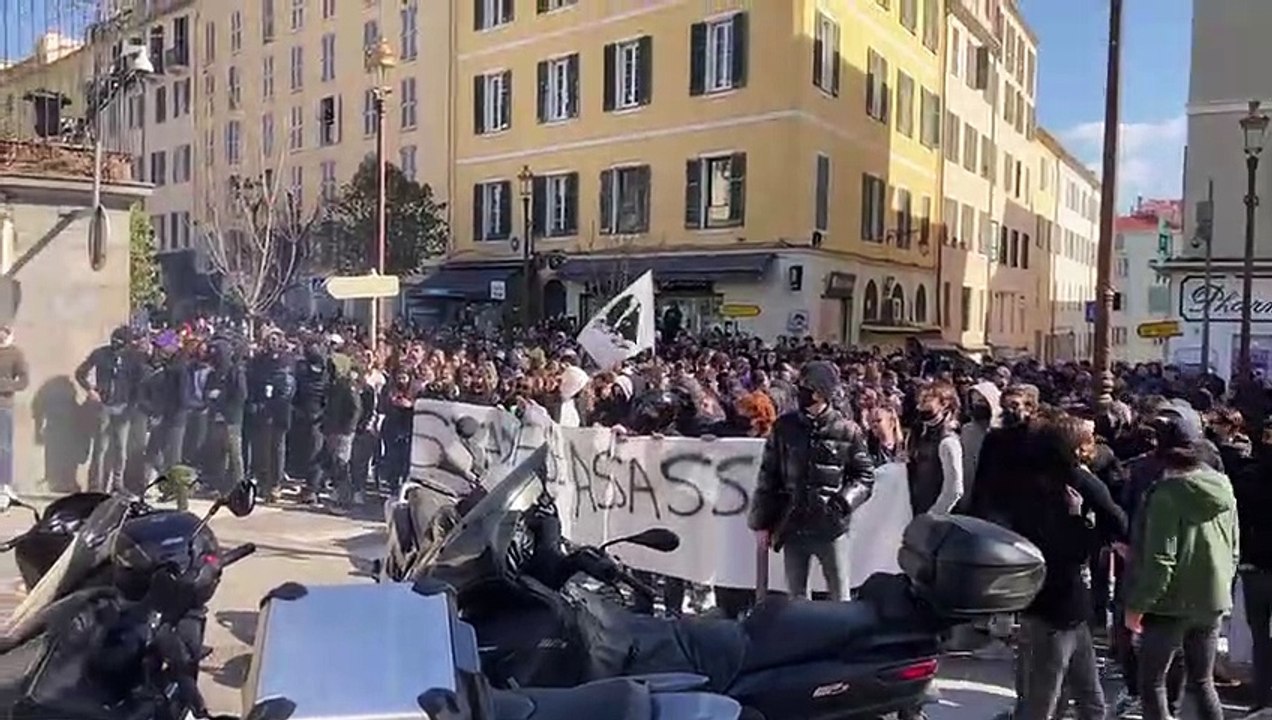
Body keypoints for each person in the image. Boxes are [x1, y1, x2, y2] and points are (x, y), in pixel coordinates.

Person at [1125, 403, 1239, 720]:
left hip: (1169, 604)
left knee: (1153, 684)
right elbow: (1233, 545)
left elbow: (1162, 558)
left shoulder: (1166, 494)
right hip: (1211, 598)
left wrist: (1138, 605)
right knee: (1202, 681)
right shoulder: (1223, 486)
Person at [748, 361, 874, 601]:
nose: (800, 393)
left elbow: (865, 475)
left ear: (820, 392)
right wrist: (761, 521)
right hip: (793, 523)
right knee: (796, 597)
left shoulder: (847, 430)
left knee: (839, 595)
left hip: (832, 528)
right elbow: (768, 477)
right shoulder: (784, 427)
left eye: (806, 388)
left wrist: (843, 502)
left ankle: (843, 637)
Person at [1013, 413, 1106, 720]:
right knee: (1044, 700)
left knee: (1091, 702)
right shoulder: (1053, 496)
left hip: (1068, 612)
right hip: (1055, 609)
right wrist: (1079, 518)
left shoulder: (1031, 485)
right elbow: (1072, 550)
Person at [1235, 418, 1272, 713]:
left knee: (1260, 636)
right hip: (1256, 565)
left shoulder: (1248, 476)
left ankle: (1262, 699)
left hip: (1255, 565)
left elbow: (1239, 522)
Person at [905, 381, 964, 516]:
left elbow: (954, 490)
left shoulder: (948, 441)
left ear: (944, 404)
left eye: (926, 400)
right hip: (917, 509)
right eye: (920, 401)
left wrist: (933, 515)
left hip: (936, 518)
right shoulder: (921, 434)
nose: (920, 406)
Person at [0, 324, 26, 488]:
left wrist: (5, 387)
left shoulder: (15, 353)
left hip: (3, 406)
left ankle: (3, 485)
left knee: (3, 446)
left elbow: (23, 380)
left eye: (3, 332)